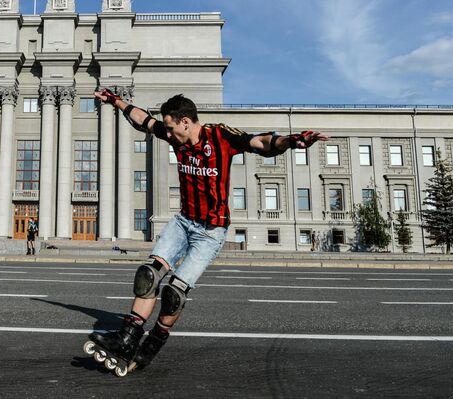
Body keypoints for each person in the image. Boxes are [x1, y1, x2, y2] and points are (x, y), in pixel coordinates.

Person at [89, 89, 328, 370]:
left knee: (173, 294)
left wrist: (290, 141)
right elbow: (145, 121)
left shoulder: (220, 137)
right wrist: (116, 101)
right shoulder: (173, 134)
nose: (167, 134)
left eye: (170, 127)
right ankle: (127, 338)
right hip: (183, 221)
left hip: (210, 231)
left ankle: (153, 343)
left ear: (185, 122)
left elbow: (260, 142)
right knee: (148, 275)